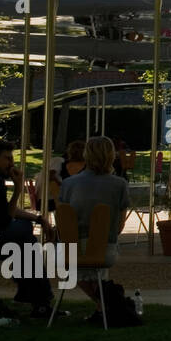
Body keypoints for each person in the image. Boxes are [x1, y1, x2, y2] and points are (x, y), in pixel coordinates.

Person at [0, 138, 54, 316]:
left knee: (23, 233)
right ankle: (39, 300)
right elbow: (4, 221)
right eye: (7, 159)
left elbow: (4, 212)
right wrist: (18, 189)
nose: (11, 164)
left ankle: (36, 297)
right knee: (24, 237)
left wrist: (38, 219)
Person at [59, 136, 131, 320]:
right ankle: (106, 306)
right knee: (98, 266)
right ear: (112, 156)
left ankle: (104, 306)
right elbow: (120, 226)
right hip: (105, 248)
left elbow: (62, 219)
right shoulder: (120, 184)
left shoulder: (68, 184)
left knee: (76, 269)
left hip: (73, 248)